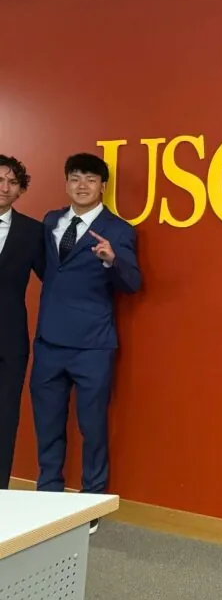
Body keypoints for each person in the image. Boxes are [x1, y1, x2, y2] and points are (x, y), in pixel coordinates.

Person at [31, 152, 141, 533]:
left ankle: (92, 502)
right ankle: (47, 498)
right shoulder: (50, 221)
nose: (82, 185)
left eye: (90, 179)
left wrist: (113, 260)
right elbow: (50, 274)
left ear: (103, 187)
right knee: (47, 424)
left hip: (93, 344)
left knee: (91, 427)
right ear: (66, 182)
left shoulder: (119, 230)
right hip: (48, 341)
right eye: (75, 177)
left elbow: (133, 284)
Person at [0, 155, 45, 490]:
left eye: (12, 182)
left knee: (4, 419)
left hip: (9, 343)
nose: (4, 187)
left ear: (20, 190)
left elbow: (54, 278)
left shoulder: (32, 231)